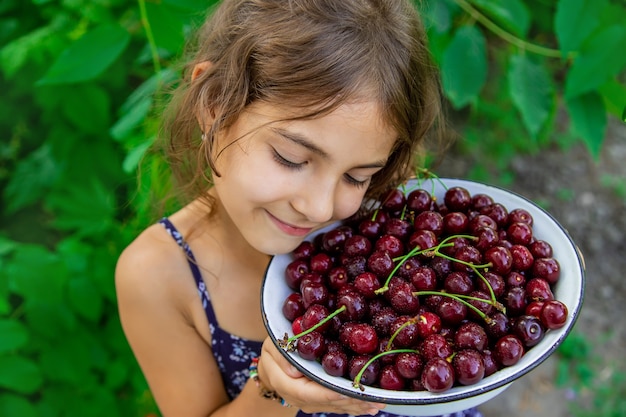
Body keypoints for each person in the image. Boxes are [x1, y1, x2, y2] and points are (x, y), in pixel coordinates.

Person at [115, 0, 483, 416]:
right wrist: (273, 390)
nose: (320, 207)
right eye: (291, 159)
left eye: (357, 176)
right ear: (213, 105)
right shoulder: (158, 276)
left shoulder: (386, 226)